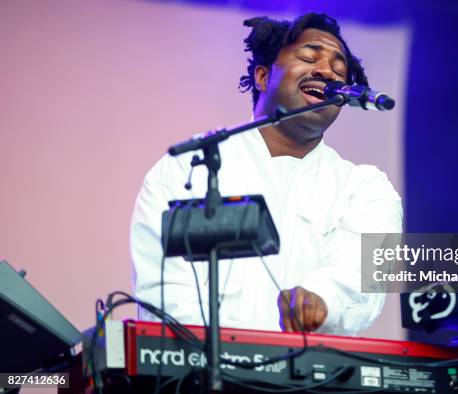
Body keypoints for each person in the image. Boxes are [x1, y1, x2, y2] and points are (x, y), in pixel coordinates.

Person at [130, 13, 403, 336]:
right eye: (308, 56)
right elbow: (165, 290)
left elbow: (360, 276)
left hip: (312, 382)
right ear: (263, 76)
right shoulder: (189, 167)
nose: (327, 71)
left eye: (339, 69)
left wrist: (321, 299)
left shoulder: (366, 188)